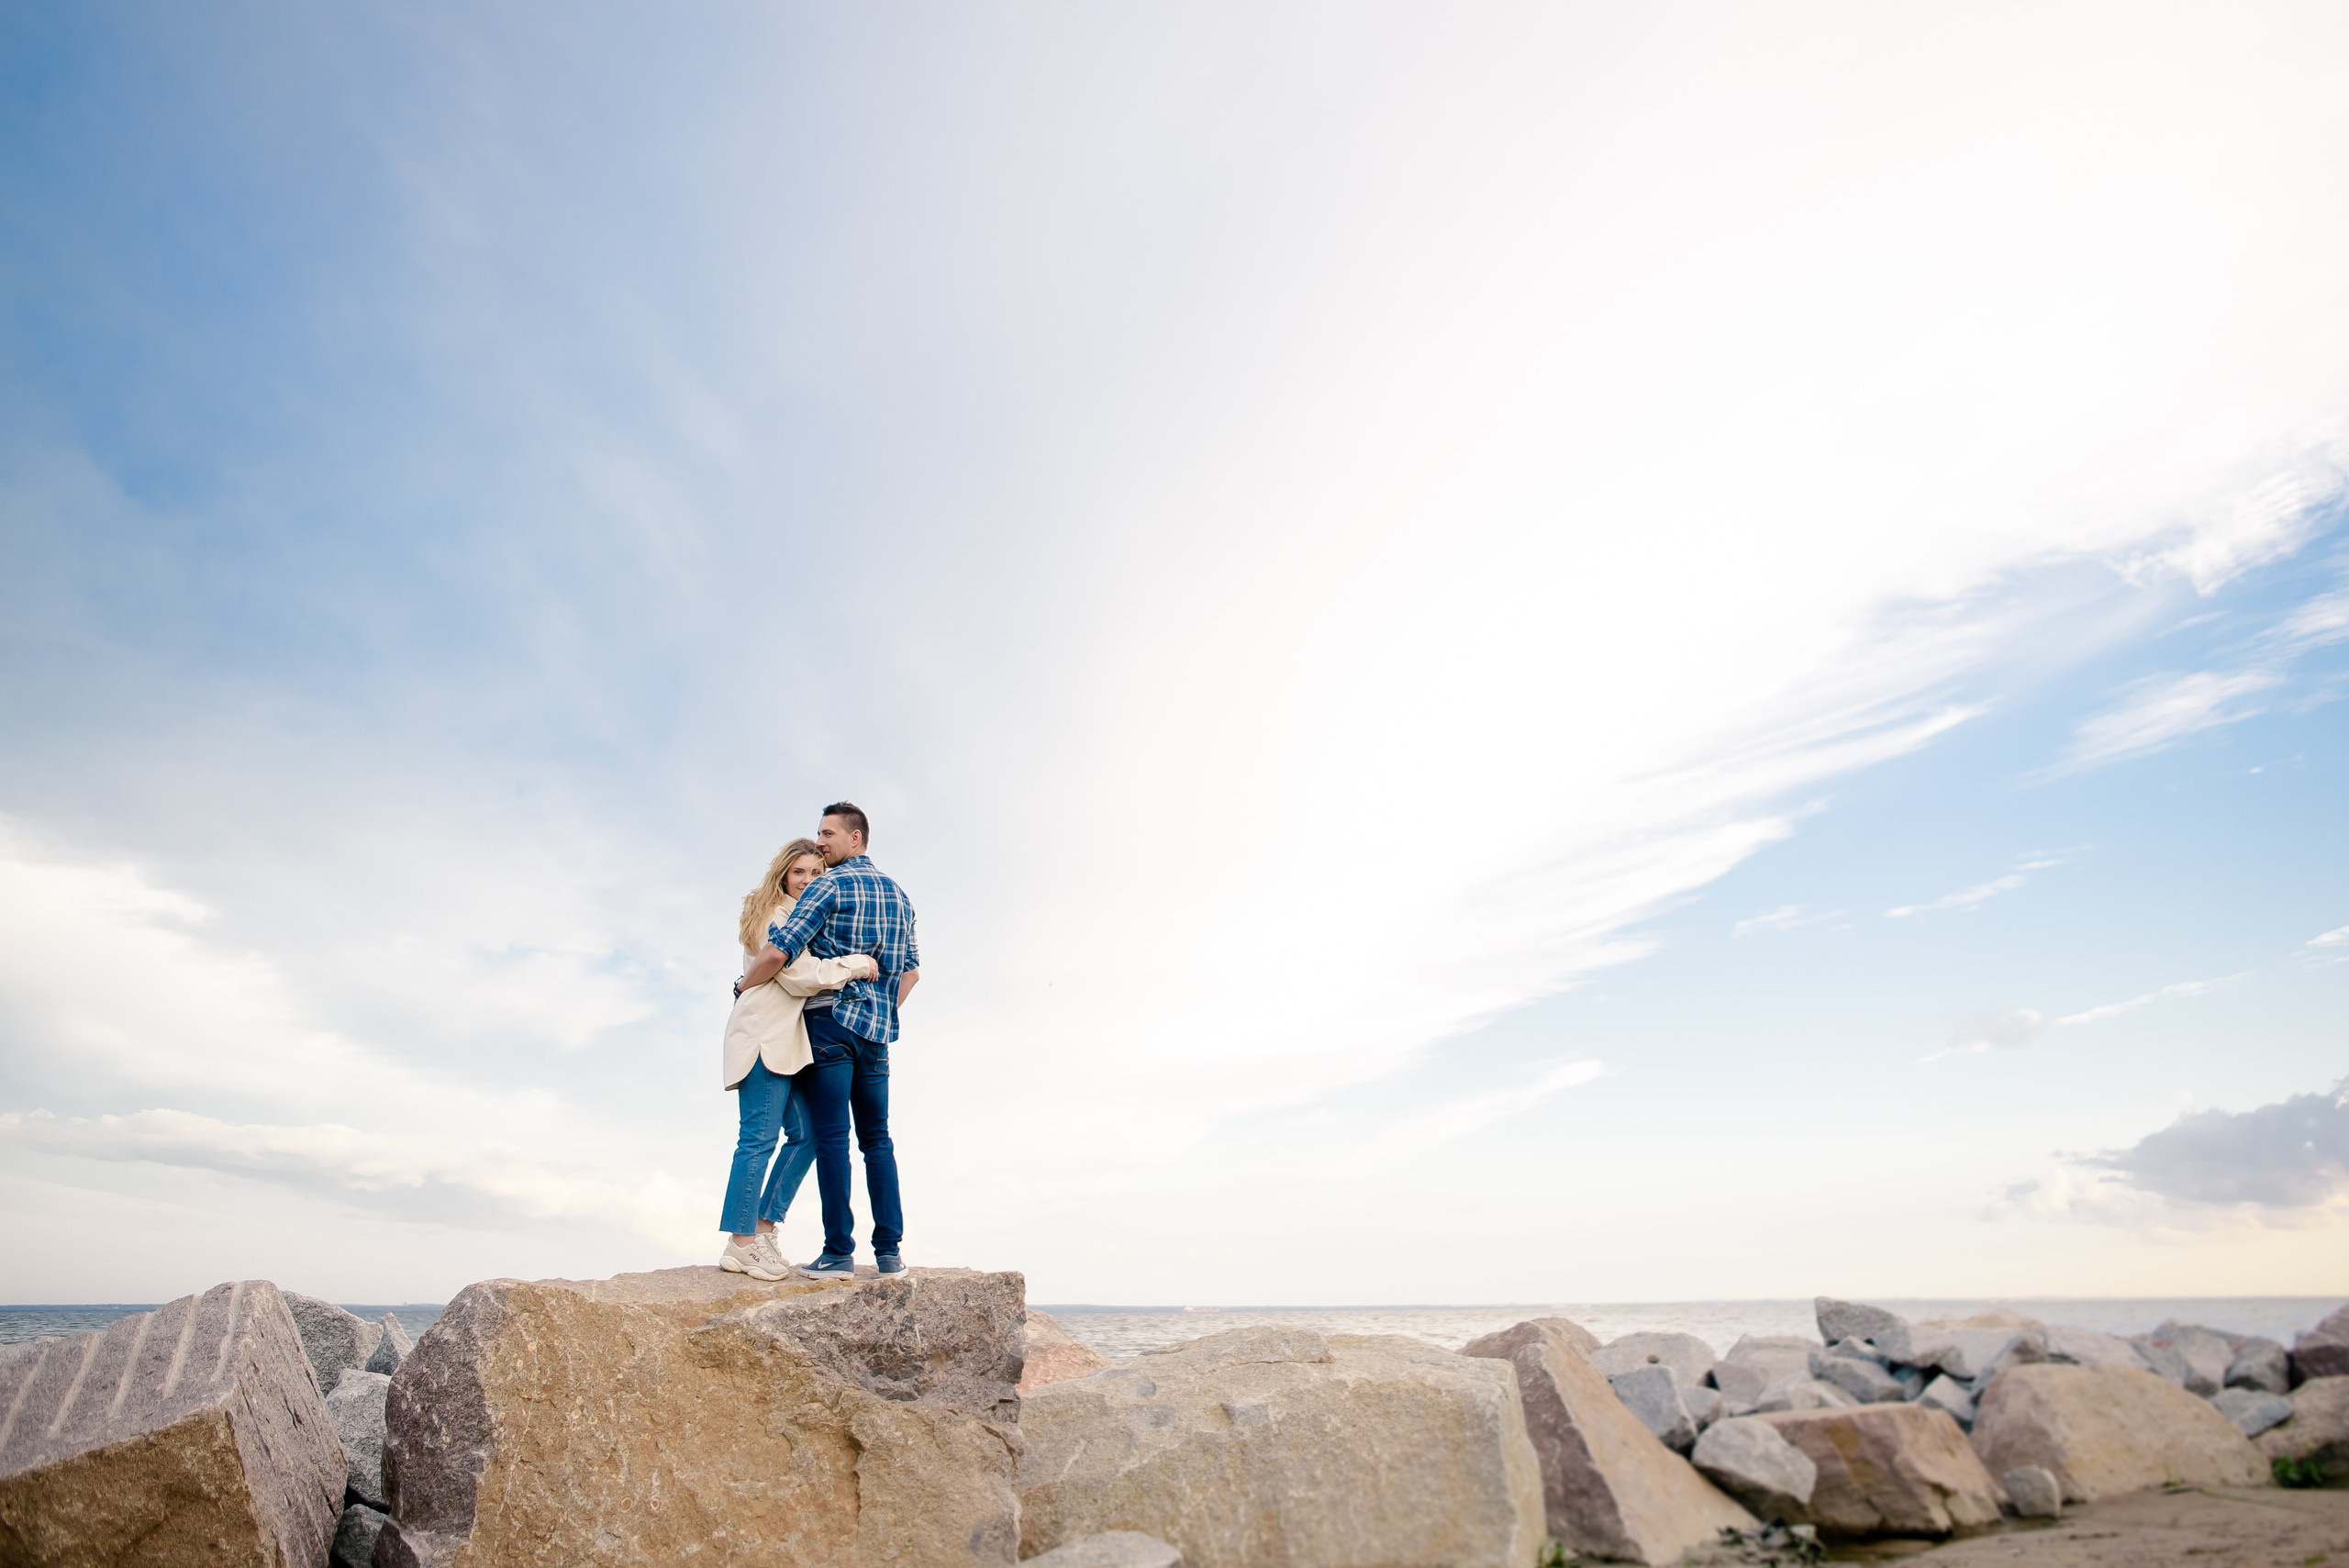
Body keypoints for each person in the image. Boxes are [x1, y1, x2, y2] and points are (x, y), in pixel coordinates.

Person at [737, 801, 920, 1280]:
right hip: (877, 1035)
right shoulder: (901, 896)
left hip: (831, 1024)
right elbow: (913, 973)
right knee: (877, 1140)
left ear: (854, 838)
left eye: (827, 834)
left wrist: (741, 988)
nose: (821, 842)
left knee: (834, 1138)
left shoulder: (830, 885)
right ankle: (889, 1255)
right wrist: (878, 1011)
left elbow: (779, 950)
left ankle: (838, 1253)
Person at [717, 837, 876, 1280]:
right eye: (799, 873)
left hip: (784, 1043)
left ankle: (763, 1226)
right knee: (757, 1140)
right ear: (783, 875)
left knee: (805, 1135)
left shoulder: (798, 914)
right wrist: (858, 964)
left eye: (816, 874)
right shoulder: (777, 914)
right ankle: (741, 1243)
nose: (807, 881)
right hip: (764, 1036)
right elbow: (798, 975)